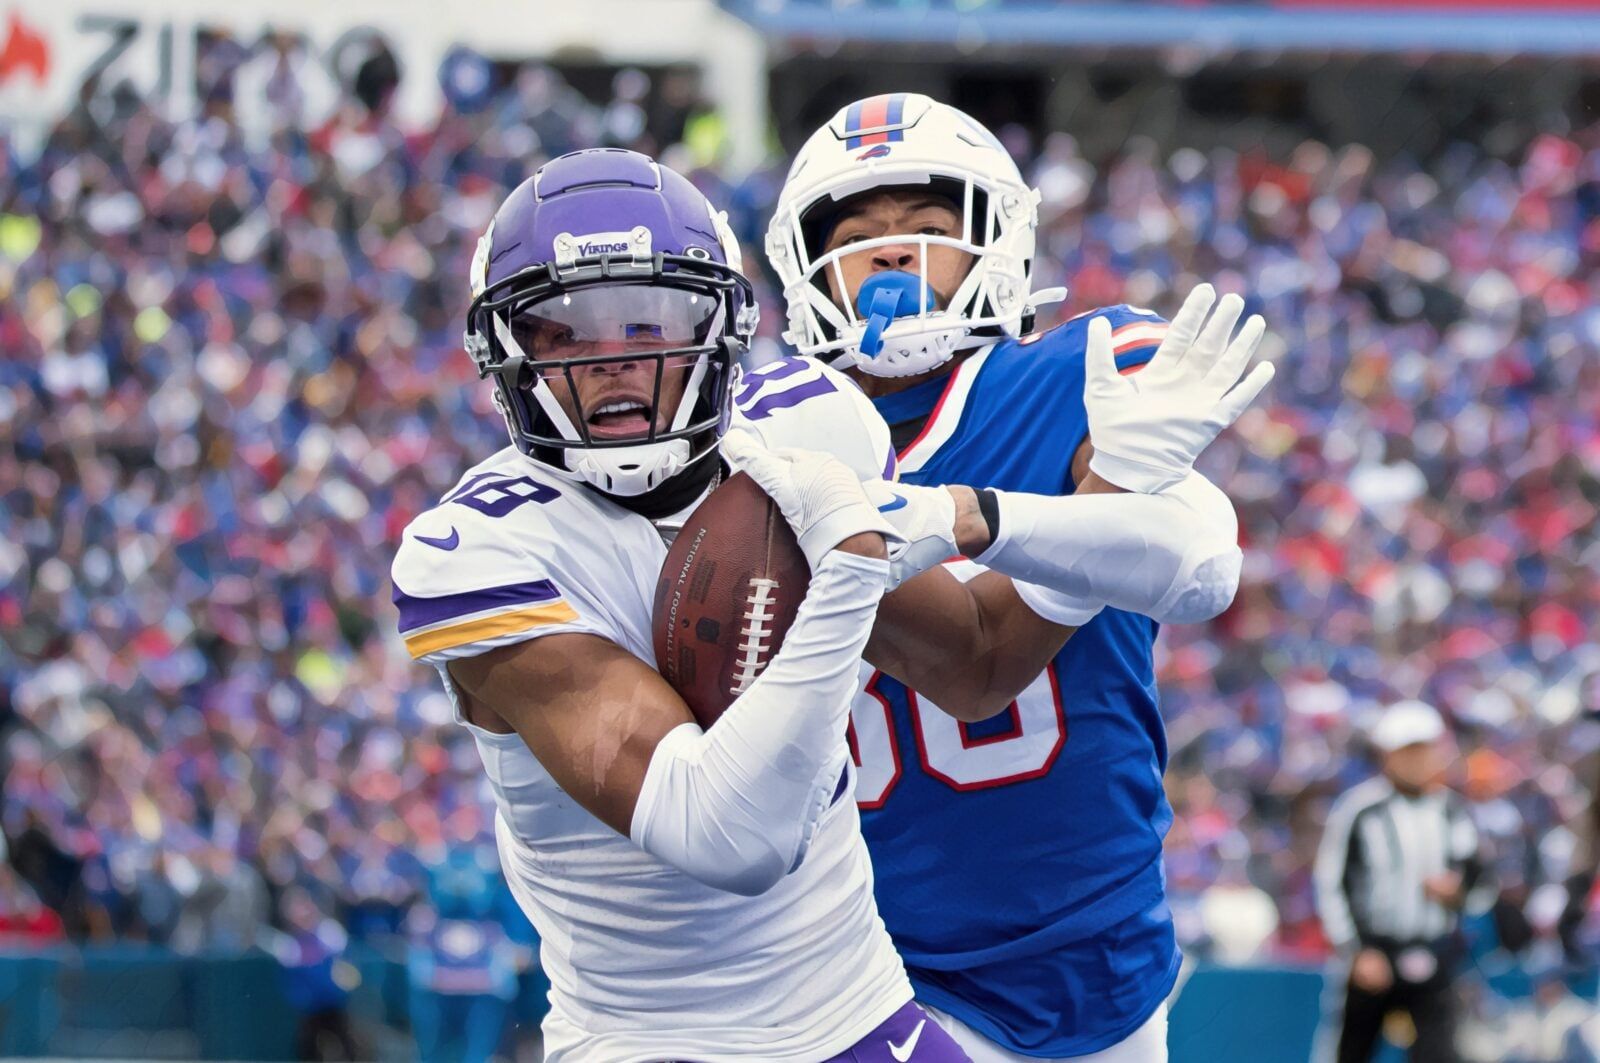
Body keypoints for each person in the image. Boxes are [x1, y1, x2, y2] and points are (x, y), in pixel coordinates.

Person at [391, 147, 1265, 1060]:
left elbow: (976, 663)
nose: (617, 363)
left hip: (869, 1016)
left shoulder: (799, 433)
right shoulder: (477, 549)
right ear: (504, 352)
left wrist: (1074, 494)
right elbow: (727, 831)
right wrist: (846, 572)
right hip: (662, 1038)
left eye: (651, 320)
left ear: (723, 324)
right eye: (564, 332)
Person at [764, 92, 1270, 1061]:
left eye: (924, 226)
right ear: (803, 262)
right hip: (879, 953)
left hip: (1100, 941)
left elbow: (1201, 566)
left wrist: (985, 514)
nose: (888, 255)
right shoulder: (778, 435)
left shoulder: (1076, 369)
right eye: (858, 233)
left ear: (993, 242)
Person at [1314, 700, 1489, 1063]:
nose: (1418, 761)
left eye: (1424, 751)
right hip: (1374, 952)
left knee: (1439, 1053)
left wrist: (1457, 892)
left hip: (1433, 951)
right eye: (1408, 751)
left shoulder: (1451, 811)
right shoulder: (1361, 810)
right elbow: (1332, 882)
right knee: (1351, 1050)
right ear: (1386, 755)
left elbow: (1480, 880)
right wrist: (1356, 949)